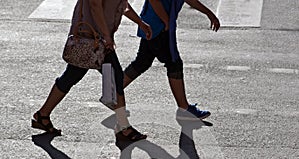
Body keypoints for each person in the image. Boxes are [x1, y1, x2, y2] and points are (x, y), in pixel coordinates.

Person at [32, 0, 152, 142]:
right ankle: (123, 127)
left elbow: (122, 4)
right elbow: (95, 5)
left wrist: (140, 22)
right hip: (92, 36)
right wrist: (106, 36)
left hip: (97, 37)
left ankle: (43, 115)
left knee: (72, 75)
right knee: (116, 76)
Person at [122, 0, 220, 120]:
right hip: (158, 26)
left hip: (154, 24)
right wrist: (166, 21)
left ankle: (112, 93)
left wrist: (209, 13)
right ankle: (184, 109)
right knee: (174, 64)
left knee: (142, 62)